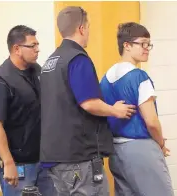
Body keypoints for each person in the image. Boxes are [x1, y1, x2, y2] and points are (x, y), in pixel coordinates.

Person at [40, 6, 136, 196]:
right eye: (89, 27)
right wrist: (115, 110)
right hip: (78, 157)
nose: (89, 32)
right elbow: (89, 103)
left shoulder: (50, 62)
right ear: (82, 28)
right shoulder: (77, 59)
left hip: (55, 156)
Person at [100, 22, 174, 196]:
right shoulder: (139, 77)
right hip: (141, 149)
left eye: (149, 44)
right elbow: (151, 121)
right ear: (126, 45)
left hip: (116, 152)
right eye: (142, 44)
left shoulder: (106, 78)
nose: (147, 48)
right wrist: (161, 144)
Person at [0, 25, 56, 196]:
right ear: (17, 48)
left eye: (37, 44)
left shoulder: (36, 70)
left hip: (43, 160)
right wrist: (8, 162)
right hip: (19, 165)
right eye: (32, 46)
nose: (37, 49)